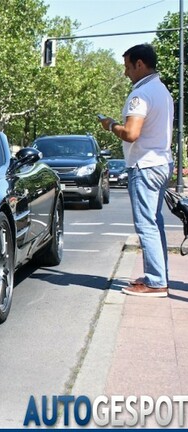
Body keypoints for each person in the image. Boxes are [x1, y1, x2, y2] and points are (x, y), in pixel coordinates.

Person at [98, 43, 173, 298]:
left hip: (145, 164)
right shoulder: (162, 90)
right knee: (155, 222)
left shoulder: (140, 95)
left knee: (146, 225)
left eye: (128, 67)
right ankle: (159, 276)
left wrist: (111, 125)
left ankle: (155, 282)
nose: (125, 73)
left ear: (140, 64)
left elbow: (131, 133)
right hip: (162, 161)